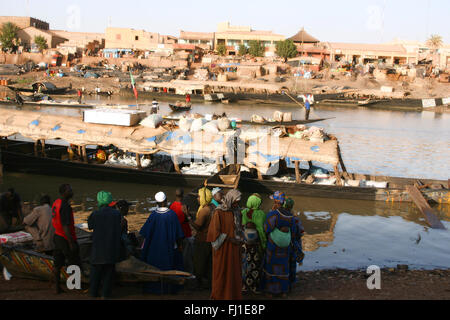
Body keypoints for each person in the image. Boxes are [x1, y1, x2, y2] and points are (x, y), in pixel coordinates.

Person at [140, 192, 185, 294]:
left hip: (154, 247)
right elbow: (178, 234)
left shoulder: (153, 215)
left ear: (157, 202)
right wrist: (180, 246)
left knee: (154, 266)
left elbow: (145, 233)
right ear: (166, 200)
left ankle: (153, 288)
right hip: (169, 247)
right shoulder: (172, 215)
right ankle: (169, 289)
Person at [207, 190, 244, 300]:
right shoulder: (219, 212)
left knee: (234, 272)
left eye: (238, 202)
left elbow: (238, 228)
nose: (236, 204)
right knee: (221, 272)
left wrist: (240, 239)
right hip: (223, 248)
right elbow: (214, 232)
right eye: (235, 202)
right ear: (230, 199)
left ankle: (233, 295)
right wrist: (230, 239)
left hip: (234, 247)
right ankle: (219, 296)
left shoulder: (237, 211)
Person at [87, 191, 122, 299]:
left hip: (98, 250)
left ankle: (93, 293)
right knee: (109, 272)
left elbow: (90, 226)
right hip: (111, 249)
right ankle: (105, 294)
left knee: (95, 274)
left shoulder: (95, 214)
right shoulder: (116, 214)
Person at [262, 191, 296, 298]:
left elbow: (266, 229)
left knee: (271, 265)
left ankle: (271, 291)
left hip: (273, 246)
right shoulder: (290, 215)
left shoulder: (273, 214)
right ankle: (284, 291)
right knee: (283, 266)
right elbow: (294, 231)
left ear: (276, 201)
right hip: (285, 246)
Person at [52, 184, 82, 294]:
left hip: (57, 235)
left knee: (57, 263)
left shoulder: (56, 202)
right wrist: (71, 242)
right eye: (70, 190)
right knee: (74, 260)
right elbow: (65, 225)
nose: (72, 191)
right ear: (64, 192)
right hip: (65, 237)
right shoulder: (65, 206)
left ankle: (57, 287)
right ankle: (75, 285)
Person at [241, 194, 267, 294]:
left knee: (244, 265)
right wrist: (264, 245)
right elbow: (262, 231)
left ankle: (244, 286)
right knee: (255, 265)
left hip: (244, 244)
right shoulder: (261, 214)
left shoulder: (243, 212)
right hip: (256, 245)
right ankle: (255, 287)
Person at [190, 187, 214, 289]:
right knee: (209, 263)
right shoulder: (213, 207)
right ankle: (209, 283)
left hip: (202, 240)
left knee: (199, 262)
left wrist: (188, 218)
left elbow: (198, 226)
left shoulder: (204, 211)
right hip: (211, 240)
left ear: (204, 197)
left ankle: (198, 284)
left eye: (199, 197)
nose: (197, 199)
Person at [282, 198, 305, 292]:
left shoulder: (279, 216)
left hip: (283, 244)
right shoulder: (295, 219)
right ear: (291, 206)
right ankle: (291, 283)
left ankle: (282, 283)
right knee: (292, 264)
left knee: (283, 263)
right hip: (293, 245)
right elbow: (301, 232)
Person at [170, 188, 194, 274]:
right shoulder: (184, 207)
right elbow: (188, 219)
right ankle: (188, 273)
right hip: (185, 234)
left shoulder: (171, 206)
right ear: (183, 196)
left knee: (179, 255)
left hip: (176, 235)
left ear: (175, 195)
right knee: (187, 257)